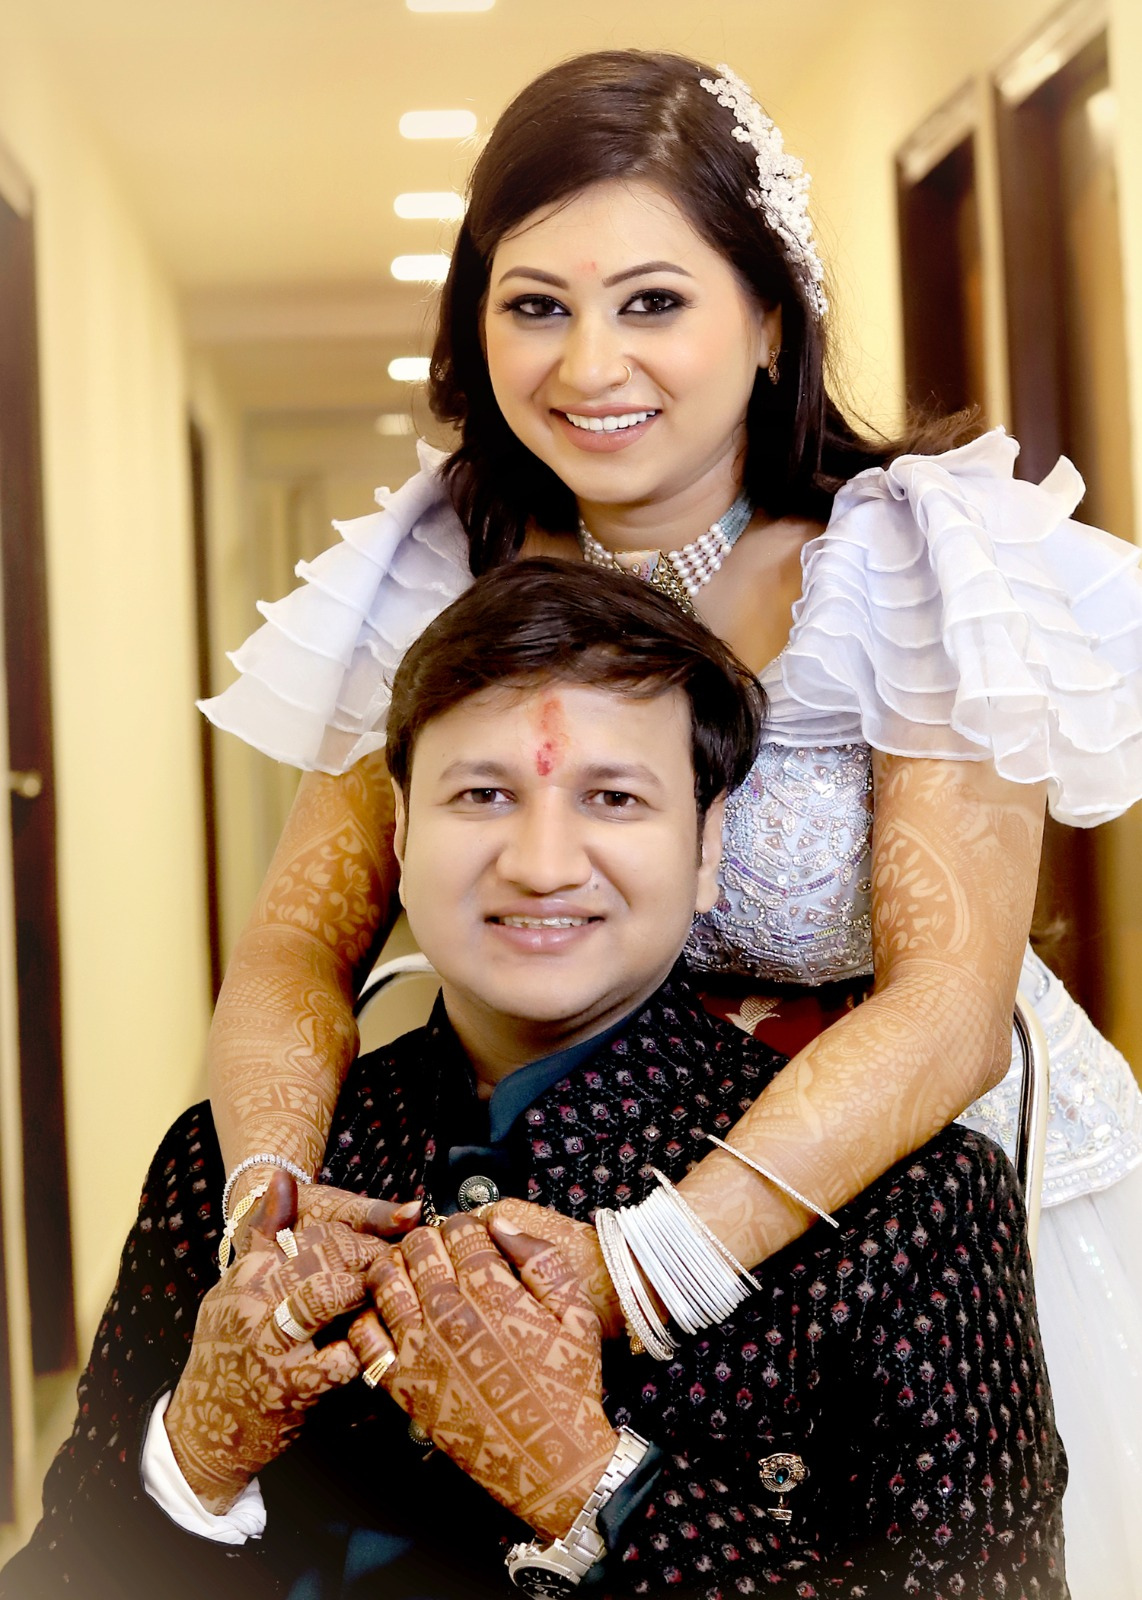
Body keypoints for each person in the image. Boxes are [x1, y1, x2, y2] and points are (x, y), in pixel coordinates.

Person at [199, 49, 1142, 1599]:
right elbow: (296, 946)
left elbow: (950, 1011)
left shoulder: (915, 563)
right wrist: (271, 1215)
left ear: (768, 319)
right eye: (534, 305)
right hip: (566, 1178)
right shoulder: (439, 570)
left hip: (898, 1216)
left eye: (651, 301)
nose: (589, 365)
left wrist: (639, 1266)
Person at [4, 563, 1068, 1599]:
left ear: (706, 849)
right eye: (482, 794)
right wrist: (194, 1453)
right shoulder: (232, 1168)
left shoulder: (913, 1206)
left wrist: (592, 1483)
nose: (542, 863)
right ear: (400, 833)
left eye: (613, 797)